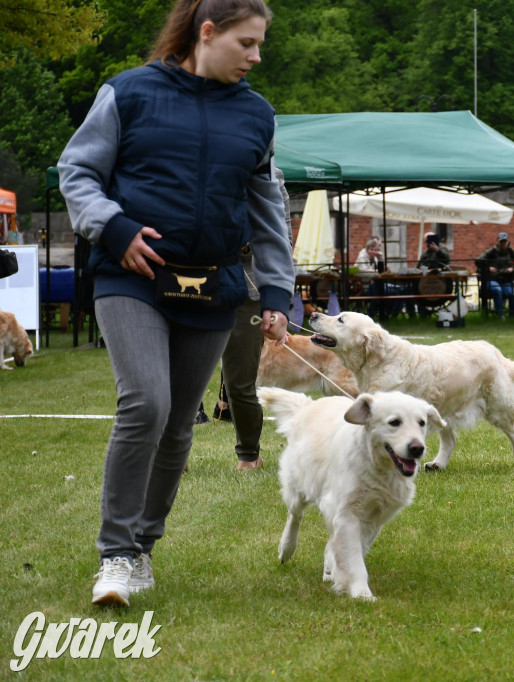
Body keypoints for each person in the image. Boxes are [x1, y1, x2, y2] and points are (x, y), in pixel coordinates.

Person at [58, 0, 293, 607]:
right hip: (130, 274)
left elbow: (268, 209)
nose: (256, 57)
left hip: (212, 286)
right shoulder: (128, 94)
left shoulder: (257, 116)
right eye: (246, 43)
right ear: (205, 32)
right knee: (147, 402)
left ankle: (141, 549)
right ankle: (113, 556)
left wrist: (275, 289)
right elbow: (77, 170)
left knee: (179, 425)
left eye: (260, 44)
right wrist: (113, 228)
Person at [213, 167, 293, 472]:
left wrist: (279, 299)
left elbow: (280, 237)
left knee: (239, 382)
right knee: (176, 378)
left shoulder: (272, 177)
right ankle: (172, 453)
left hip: (248, 288)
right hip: (189, 279)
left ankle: (249, 455)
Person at [475, 231, 514, 319]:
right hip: (492, 279)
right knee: (497, 290)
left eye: (505, 241)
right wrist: (488, 267)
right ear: (498, 241)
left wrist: (513, 268)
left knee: (512, 293)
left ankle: (513, 314)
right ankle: (500, 313)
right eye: (501, 241)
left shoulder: (511, 252)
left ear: (507, 242)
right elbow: (478, 261)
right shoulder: (491, 251)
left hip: (506, 280)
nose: (503, 244)